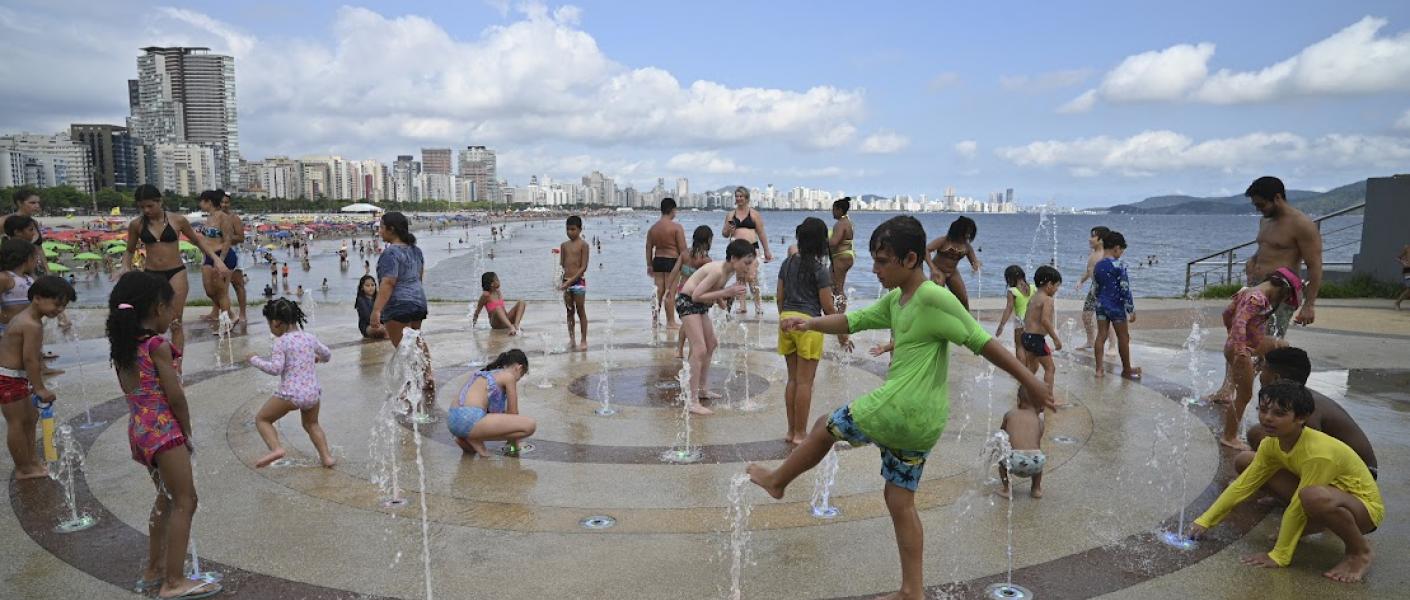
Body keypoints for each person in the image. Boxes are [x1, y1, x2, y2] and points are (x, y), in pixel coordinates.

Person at [747, 216, 1053, 600]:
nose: (875, 270)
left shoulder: (933, 298)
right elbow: (855, 320)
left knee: (825, 425)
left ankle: (778, 482)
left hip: (900, 407)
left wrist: (1031, 381)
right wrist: (810, 325)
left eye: (882, 261)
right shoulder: (897, 299)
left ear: (910, 259)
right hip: (922, 423)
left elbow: (982, 342)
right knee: (899, 501)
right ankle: (912, 591)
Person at [1188, 383, 1381, 584]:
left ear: (1301, 418)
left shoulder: (1319, 453)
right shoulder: (1271, 443)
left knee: (1311, 496)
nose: (1267, 418)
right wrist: (1204, 521)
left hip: (1363, 510)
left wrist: (1279, 555)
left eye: (1279, 414)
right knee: (1247, 461)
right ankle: (1317, 523)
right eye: (1263, 410)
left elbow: (1298, 505)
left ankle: (1360, 552)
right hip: (1330, 495)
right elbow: (1242, 485)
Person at [106, 272, 223, 599]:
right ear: (158, 308)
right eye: (171, 307)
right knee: (186, 500)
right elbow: (176, 397)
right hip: (164, 430)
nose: (173, 313)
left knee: (165, 498)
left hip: (140, 430)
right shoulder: (156, 346)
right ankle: (174, 581)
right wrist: (186, 432)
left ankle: (154, 569)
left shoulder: (125, 346)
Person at [118, 185, 227, 355]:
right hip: (151, 275)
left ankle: (177, 365)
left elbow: (197, 241)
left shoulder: (178, 220)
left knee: (176, 321)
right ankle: (155, 360)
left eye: (150, 206)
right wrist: (125, 267)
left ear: (159, 201)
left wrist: (217, 260)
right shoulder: (136, 224)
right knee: (151, 321)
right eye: (142, 207)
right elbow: (130, 250)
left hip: (176, 272)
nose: (146, 210)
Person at [1240, 346, 1378, 480]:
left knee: (1249, 460)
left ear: (1276, 378)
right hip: (1338, 466)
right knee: (1257, 435)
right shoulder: (1299, 397)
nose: (1260, 376)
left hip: (1357, 476)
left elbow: (1312, 455)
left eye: (1263, 371)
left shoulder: (1306, 409)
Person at [1208, 268, 1301, 449]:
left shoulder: (1247, 291)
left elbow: (1227, 313)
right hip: (1241, 352)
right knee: (1244, 395)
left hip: (1246, 346)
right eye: (1283, 298)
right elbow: (1240, 322)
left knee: (1281, 345)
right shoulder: (1258, 299)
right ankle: (1229, 436)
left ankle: (1263, 369)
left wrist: (1232, 336)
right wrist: (1240, 348)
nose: (1278, 302)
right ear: (1281, 289)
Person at [776, 218, 848, 445]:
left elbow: (779, 297)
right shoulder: (820, 270)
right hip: (809, 325)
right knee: (805, 382)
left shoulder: (787, 263)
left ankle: (790, 431)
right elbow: (827, 308)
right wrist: (842, 334)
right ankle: (800, 434)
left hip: (786, 321)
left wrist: (784, 319)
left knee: (792, 380)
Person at [0, 276, 73, 480]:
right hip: (8, 378)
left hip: (16, 377)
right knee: (17, 422)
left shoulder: (28, 319)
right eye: (57, 304)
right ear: (38, 298)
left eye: (63, 306)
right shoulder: (31, 324)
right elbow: (30, 359)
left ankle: (31, 460)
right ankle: (23, 468)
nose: (59, 309)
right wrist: (40, 388)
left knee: (30, 418)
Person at [247, 299, 334, 468]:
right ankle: (327, 458)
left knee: (262, 419)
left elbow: (276, 369)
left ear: (276, 322)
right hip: (312, 393)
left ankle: (276, 449)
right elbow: (327, 355)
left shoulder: (281, 342)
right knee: (312, 424)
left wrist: (254, 360)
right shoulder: (309, 338)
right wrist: (317, 358)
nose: (270, 328)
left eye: (269, 324)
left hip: (291, 395)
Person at [677, 239, 754, 414]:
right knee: (699, 349)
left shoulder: (728, 271)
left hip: (699, 306)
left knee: (711, 344)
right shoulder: (717, 270)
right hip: (687, 302)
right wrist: (727, 292)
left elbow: (712, 289)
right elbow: (696, 295)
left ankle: (702, 389)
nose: (748, 268)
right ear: (733, 258)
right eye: (746, 263)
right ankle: (692, 400)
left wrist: (720, 301)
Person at [1244, 176, 1321, 331]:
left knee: (1268, 340)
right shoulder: (1265, 221)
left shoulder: (1302, 225)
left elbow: (1315, 266)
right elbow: (1266, 249)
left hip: (1281, 291)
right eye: (1255, 205)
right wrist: (1252, 261)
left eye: (1261, 205)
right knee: (1246, 335)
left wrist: (1309, 305)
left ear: (1277, 198)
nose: (1258, 209)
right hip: (1257, 286)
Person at [448, 349, 537, 457]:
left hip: (452, 419)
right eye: (521, 376)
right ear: (519, 368)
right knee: (529, 425)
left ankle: (466, 440)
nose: (517, 380)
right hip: (471, 418)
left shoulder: (487, 373)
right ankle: (473, 438)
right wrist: (514, 445)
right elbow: (513, 413)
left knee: (472, 448)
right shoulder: (508, 376)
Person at [369, 212, 428, 348]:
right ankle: (427, 364)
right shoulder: (416, 250)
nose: (379, 231)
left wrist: (376, 310)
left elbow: (388, 283)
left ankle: (420, 364)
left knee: (403, 349)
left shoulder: (390, 253)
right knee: (417, 345)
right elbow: (419, 278)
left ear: (391, 229)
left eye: (381, 227)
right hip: (418, 302)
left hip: (398, 305)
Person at [1092, 231, 1139, 379]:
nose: (1121, 254)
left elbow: (1095, 288)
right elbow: (1125, 288)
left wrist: (1098, 301)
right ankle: (1126, 369)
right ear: (1116, 248)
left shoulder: (1098, 265)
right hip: (1116, 306)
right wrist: (1130, 309)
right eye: (1121, 251)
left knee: (1101, 335)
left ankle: (1099, 370)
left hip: (1101, 304)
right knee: (1123, 336)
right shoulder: (1119, 265)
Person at [721, 186, 773, 315]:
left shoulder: (754, 214)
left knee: (752, 276)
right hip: (736, 249)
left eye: (741, 196)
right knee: (740, 278)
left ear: (747, 198)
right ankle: (742, 306)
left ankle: (758, 306)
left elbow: (761, 233)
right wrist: (728, 230)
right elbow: (724, 234)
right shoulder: (731, 214)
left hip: (751, 248)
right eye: (737, 196)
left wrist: (767, 250)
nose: (738, 198)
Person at [672, 226, 714, 359]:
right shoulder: (705, 260)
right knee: (694, 325)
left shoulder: (685, 254)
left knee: (687, 322)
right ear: (708, 241)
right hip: (695, 294)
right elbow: (711, 281)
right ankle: (692, 353)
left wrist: (668, 289)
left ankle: (679, 349)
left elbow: (674, 271)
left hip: (681, 291)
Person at [196, 191, 236, 327]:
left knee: (221, 291)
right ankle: (230, 314)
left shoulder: (223, 217)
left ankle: (227, 322)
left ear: (209, 202)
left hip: (222, 255)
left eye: (201, 201)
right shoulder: (209, 218)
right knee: (209, 291)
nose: (200, 204)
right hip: (209, 255)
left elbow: (228, 240)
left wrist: (221, 261)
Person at [997, 387, 1046, 499]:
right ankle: (1036, 489)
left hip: (1014, 461)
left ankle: (1007, 489)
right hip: (1036, 463)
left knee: (1001, 459)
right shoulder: (1039, 420)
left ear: (1018, 400)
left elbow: (1002, 433)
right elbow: (1037, 439)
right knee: (1038, 456)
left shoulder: (1010, 414)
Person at [1021, 266, 1063, 395]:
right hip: (1036, 339)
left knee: (1032, 367)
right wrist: (1055, 339)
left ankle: (1023, 394)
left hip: (1026, 336)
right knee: (1050, 368)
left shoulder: (1033, 298)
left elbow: (1026, 317)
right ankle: (1048, 398)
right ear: (1049, 285)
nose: (1057, 290)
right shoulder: (1047, 299)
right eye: (1056, 286)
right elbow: (1045, 320)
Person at [646, 198, 687, 328]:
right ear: (672, 210)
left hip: (658, 261)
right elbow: (683, 250)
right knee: (670, 292)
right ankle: (670, 322)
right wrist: (686, 267)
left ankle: (655, 320)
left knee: (658, 292)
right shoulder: (676, 228)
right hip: (672, 261)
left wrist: (649, 265)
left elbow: (648, 248)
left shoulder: (653, 228)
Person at [924, 216, 982, 309]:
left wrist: (976, 265)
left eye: (970, 233)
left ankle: (965, 317)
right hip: (938, 271)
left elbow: (974, 261)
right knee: (938, 298)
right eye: (967, 232)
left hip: (953, 273)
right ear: (959, 231)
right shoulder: (944, 241)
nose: (968, 236)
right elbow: (926, 250)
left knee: (963, 299)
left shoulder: (967, 247)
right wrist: (932, 268)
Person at [1077, 226, 1112, 353]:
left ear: (1101, 240)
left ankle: (1113, 346)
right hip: (1094, 289)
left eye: (1093, 236)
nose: (1089, 239)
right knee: (1086, 316)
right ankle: (1090, 341)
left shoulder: (1104, 255)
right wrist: (1081, 281)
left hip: (1104, 290)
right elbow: (1089, 271)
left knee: (1106, 319)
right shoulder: (1093, 254)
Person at [558, 215, 590, 351]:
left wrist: (571, 281)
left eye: (573, 229)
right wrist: (560, 280)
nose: (570, 232)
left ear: (580, 229)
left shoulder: (584, 245)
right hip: (566, 282)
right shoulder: (564, 245)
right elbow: (561, 265)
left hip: (578, 282)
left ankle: (583, 339)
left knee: (580, 310)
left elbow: (583, 267)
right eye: (567, 229)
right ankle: (572, 339)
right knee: (569, 311)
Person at [219, 192, 248, 324]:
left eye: (226, 202)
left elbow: (241, 237)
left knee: (237, 284)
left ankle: (242, 313)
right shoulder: (215, 217)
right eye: (221, 202)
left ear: (230, 203)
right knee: (218, 285)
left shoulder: (234, 218)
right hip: (218, 252)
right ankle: (220, 312)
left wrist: (226, 237)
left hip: (234, 252)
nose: (224, 205)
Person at [995, 265, 1033, 362]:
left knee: (1020, 346)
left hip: (1020, 321)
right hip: (1033, 320)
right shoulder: (1033, 287)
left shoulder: (1012, 291)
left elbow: (1009, 308)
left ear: (1009, 279)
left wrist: (1001, 325)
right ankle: (1029, 368)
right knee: (1030, 346)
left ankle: (1021, 368)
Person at [0, 239, 38, 336]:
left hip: (26, 329)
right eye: (35, 257)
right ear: (28, 258)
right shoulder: (5, 277)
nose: (37, 261)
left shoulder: (29, 279)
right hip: (7, 330)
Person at [827, 197, 856, 313]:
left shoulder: (841, 224)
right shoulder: (848, 222)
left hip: (841, 257)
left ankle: (840, 311)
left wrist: (821, 240)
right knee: (833, 285)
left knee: (837, 287)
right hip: (846, 255)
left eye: (833, 209)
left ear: (839, 210)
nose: (832, 212)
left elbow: (834, 242)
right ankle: (838, 309)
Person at [354, 275, 386, 339]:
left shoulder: (378, 298)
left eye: (372, 285)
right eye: (367, 286)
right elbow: (367, 317)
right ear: (362, 287)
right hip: (367, 326)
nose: (370, 287)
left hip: (380, 322)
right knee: (379, 329)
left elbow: (384, 312)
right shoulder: (360, 300)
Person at [1396, 244, 1410, 310]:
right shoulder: (1407, 248)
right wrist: (1403, 262)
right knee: (1409, 289)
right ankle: (1397, 303)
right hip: (1408, 270)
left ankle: (1397, 303)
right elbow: (1398, 258)